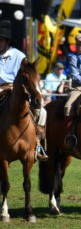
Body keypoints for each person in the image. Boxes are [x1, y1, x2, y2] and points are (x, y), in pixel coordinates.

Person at [0, 20, 48, 161]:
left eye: (0, 40)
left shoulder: (19, 56)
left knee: (42, 112)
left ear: (7, 41)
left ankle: (39, 146)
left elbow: (25, 76)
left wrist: (15, 87)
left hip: (18, 90)